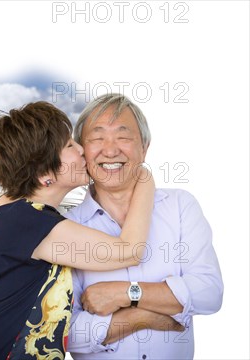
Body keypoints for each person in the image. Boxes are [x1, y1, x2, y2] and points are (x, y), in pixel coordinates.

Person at [0, 101, 155, 360]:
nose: (81, 149)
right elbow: (130, 251)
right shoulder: (28, 221)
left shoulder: (9, 207)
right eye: (69, 145)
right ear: (44, 169)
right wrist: (144, 178)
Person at [66, 93, 224, 359]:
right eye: (97, 138)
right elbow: (65, 332)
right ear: (82, 151)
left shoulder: (180, 207)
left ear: (145, 147)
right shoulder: (67, 228)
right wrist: (141, 316)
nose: (111, 149)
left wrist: (126, 293)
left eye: (123, 136)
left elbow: (209, 292)